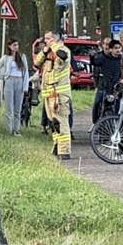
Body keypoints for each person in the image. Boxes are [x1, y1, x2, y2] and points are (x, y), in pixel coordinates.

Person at [34, 29, 72, 160]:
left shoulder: (63, 50)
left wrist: (53, 45)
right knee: (53, 123)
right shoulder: (48, 52)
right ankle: (57, 146)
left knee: (61, 121)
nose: (46, 41)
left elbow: (63, 56)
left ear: (55, 39)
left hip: (59, 93)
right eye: (45, 38)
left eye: (48, 38)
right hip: (48, 93)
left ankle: (64, 150)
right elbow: (36, 63)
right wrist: (44, 51)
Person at [0, 38, 29, 136]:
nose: (16, 47)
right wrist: (5, 77)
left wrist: (25, 86)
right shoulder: (5, 58)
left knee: (18, 108)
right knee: (9, 108)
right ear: (9, 46)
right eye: (14, 45)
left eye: (17, 45)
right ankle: (9, 129)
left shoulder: (22, 56)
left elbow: (26, 73)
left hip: (20, 81)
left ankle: (17, 129)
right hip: (10, 81)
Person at [91, 37, 122, 124]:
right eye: (116, 48)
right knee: (97, 103)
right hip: (103, 86)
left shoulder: (122, 60)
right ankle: (95, 123)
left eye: (119, 48)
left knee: (116, 105)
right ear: (111, 49)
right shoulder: (103, 58)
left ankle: (115, 123)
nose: (118, 50)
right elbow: (95, 64)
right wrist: (92, 56)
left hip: (116, 87)